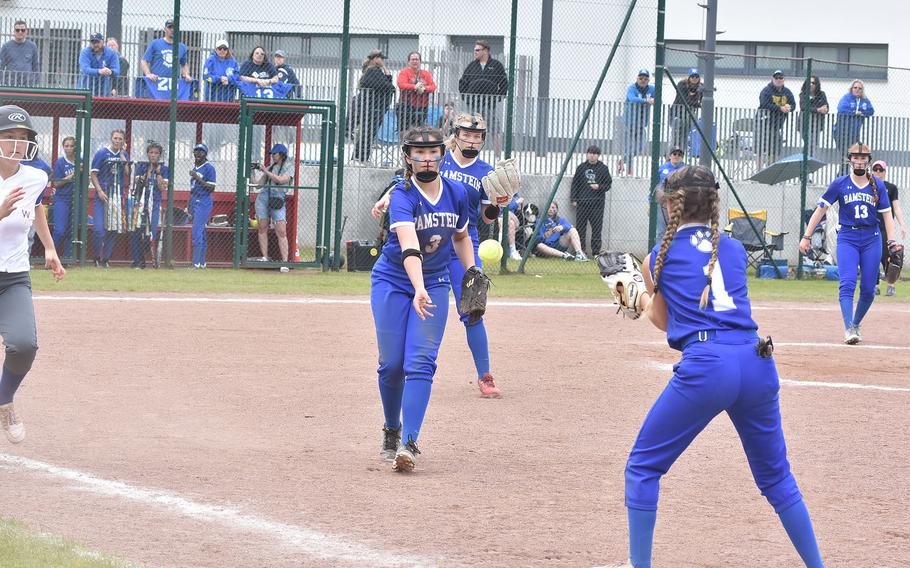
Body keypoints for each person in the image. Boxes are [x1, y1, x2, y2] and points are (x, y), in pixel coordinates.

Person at [618, 165, 824, 568]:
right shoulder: (731, 248)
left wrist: (636, 300)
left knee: (642, 468)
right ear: (712, 203)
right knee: (778, 480)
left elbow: (663, 321)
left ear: (671, 205)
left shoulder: (658, 254)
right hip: (756, 360)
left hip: (708, 365)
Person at [370, 113, 517, 397]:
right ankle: (402, 364)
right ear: (456, 135)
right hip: (424, 239)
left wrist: (499, 204)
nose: (471, 140)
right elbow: (408, 184)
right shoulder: (438, 157)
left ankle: (484, 375)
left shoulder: (487, 172)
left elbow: (486, 218)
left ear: (483, 140)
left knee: (472, 308)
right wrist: (388, 196)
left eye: (477, 136)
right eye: (466, 134)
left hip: (462, 239)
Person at [370, 125, 475, 472]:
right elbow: (408, 245)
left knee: (420, 362)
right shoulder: (402, 195)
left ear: (443, 156)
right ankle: (391, 427)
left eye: (433, 153)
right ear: (408, 158)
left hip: (434, 281)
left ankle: (409, 442)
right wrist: (417, 287)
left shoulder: (457, 192)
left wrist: (471, 271)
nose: (427, 159)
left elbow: (460, 236)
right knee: (392, 364)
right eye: (419, 153)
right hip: (394, 280)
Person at [0, 105, 67, 445]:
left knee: (24, 345)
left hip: (12, 277)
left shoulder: (36, 176)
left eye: (22, 138)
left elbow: (37, 206)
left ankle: (4, 401)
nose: (16, 143)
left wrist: (50, 248)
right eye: (8, 137)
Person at [801, 143, 896, 344]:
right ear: (849, 159)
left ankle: (856, 323)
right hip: (847, 238)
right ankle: (849, 329)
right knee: (847, 283)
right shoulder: (840, 184)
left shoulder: (876, 185)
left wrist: (892, 242)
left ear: (869, 161)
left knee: (869, 289)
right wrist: (807, 236)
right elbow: (820, 210)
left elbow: (887, 216)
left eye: (863, 158)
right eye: (855, 157)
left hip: (872, 238)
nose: (859, 161)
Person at [458, 40, 508, 158]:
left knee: (495, 128)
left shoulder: (496, 65)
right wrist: (467, 98)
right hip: (473, 104)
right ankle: (470, 155)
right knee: (472, 129)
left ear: (485, 51)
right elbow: (462, 83)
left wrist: (498, 98)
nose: (475, 52)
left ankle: (497, 157)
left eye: (477, 50)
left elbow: (504, 83)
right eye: (474, 50)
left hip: (490, 105)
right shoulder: (472, 66)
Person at [89, 129, 131, 267]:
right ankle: (96, 256)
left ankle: (105, 259)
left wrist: (123, 156)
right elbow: (93, 174)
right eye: (115, 138)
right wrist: (99, 190)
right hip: (103, 194)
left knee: (113, 228)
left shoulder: (123, 154)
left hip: (116, 196)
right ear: (111, 138)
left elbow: (127, 173)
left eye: (120, 139)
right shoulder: (102, 153)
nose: (117, 141)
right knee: (99, 229)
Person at [251, 143, 293, 271]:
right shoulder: (270, 167)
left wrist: (265, 171)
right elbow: (258, 185)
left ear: (281, 155)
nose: (272, 156)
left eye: (274, 154)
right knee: (262, 227)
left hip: (277, 198)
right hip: (264, 197)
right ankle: (264, 256)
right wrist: (251, 171)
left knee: (281, 230)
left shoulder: (289, 167)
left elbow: (281, 180)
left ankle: (284, 262)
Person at [350, 49, 395, 165]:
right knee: (368, 132)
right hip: (371, 108)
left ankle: (360, 157)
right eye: (381, 58)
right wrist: (388, 78)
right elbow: (388, 87)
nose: (383, 61)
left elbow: (388, 85)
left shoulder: (376, 71)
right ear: (375, 59)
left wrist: (385, 70)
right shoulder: (373, 72)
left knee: (368, 132)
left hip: (374, 108)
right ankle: (361, 157)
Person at [130, 141, 168, 269]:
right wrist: (149, 172)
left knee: (151, 233)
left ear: (160, 155)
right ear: (147, 154)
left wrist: (157, 173)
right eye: (151, 153)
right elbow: (138, 183)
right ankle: (138, 261)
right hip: (140, 202)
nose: (153, 155)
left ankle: (146, 257)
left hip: (155, 204)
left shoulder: (164, 169)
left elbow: (162, 187)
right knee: (136, 231)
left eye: (156, 153)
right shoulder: (142, 166)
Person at [870, 160, 906, 297]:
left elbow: (896, 208)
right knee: (873, 256)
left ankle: (890, 285)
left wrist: (902, 224)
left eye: (881, 170)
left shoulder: (891, 188)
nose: (878, 172)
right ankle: (875, 286)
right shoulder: (867, 186)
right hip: (872, 227)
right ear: (872, 171)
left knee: (887, 256)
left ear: (885, 172)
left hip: (885, 227)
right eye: (876, 169)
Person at [571, 144, 612, 256]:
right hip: (582, 203)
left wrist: (599, 187)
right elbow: (575, 184)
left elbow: (608, 184)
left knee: (597, 229)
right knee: (580, 228)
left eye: (595, 154)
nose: (592, 156)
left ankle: (596, 253)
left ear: (598, 155)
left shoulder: (603, 168)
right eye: (590, 153)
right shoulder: (581, 168)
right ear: (587, 154)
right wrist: (573, 199)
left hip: (597, 205)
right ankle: (580, 251)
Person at [141, 19, 192, 97]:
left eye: (175, 28)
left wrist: (186, 74)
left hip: (172, 86)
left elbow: (184, 64)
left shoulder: (181, 47)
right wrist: (148, 74)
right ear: (165, 29)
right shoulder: (155, 43)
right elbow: (144, 61)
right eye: (170, 27)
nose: (172, 30)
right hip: (156, 85)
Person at [833, 80, 874, 174]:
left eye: (860, 88)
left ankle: (841, 174)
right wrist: (854, 113)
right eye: (855, 88)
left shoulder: (864, 100)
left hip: (854, 133)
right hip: (841, 131)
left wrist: (862, 113)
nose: (857, 90)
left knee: (849, 154)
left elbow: (871, 111)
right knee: (845, 154)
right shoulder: (846, 98)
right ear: (851, 88)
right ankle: (842, 174)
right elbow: (841, 108)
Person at [756, 70, 795, 166]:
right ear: (772, 79)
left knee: (774, 149)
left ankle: (770, 170)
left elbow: (793, 104)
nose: (778, 80)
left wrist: (789, 107)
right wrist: (780, 108)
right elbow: (764, 104)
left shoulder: (787, 92)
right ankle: (759, 170)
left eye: (780, 78)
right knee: (762, 148)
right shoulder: (766, 90)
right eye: (776, 78)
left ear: (784, 79)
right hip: (764, 124)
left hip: (777, 126)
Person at [621, 69, 655, 177]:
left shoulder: (652, 89)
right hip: (629, 123)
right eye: (641, 78)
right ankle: (629, 170)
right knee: (629, 145)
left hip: (642, 123)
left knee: (641, 146)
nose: (643, 80)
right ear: (637, 78)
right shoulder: (632, 88)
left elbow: (658, 99)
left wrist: (654, 101)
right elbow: (632, 98)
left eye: (645, 78)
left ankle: (623, 160)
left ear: (648, 80)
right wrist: (646, 101)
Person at [188, 143, 216, 269]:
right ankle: (202, 263)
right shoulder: (195, 168)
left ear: (205, 154)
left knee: (196, 232)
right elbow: (192, 190)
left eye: (201, 151)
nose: (198, 153)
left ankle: (196, 263)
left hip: (204, 202)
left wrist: (197, 178)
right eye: (196, 151)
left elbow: (211, 188)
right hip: (195, 201)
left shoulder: (209, 168)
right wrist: (189, 206)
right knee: (201, 232)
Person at [650, 145, 686, 240]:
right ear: (670, 156)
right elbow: (655, 186)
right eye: (674, 153)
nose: (676, 156)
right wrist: (650, 202)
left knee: (677, 229)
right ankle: (660, 253)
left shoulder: (685, 169)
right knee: (661, 230)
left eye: (679, 154)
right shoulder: (662, 168)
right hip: (662, 203)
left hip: (678, 203)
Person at [51, 136, 78, 259]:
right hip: (62, 199)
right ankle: (51, 257)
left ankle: (67, 259)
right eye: (66, 146)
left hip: (76, 199)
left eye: (71, 146)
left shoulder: (80, 161)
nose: (69, 148)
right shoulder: (60, 162)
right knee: (60, 230)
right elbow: (56, 183)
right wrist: (72, 175)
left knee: (70, 231)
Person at [396, 51, 437, 133]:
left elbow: (433, 86)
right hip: (406, 106)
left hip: (421, 107)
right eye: (412, 59)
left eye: (417, 59)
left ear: (420, 61)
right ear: (409, 61)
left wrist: (423, 88)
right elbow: (401, 84)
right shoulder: (404, 72)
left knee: (418, 131)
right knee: (404, 130)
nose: (415, 61)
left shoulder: (426, 74)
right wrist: (415, 87)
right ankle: (403, 145)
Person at [669, 68, 703, 153]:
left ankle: (681, 154)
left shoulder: (701, 87)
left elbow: (700, 102)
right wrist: (694, 102)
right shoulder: (682, 84)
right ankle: (671, 155)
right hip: (676, 113)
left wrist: (694, 102)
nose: (694, 78)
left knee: (685, 136)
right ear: (689, 77)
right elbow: (682, 100)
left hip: (688, 115)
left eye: (696, 77)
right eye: (692, 76)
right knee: (676, 136)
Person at [78, 32, 120, 97]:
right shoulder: (85, 52)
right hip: (86, 89)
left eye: (97, 42)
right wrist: (99, 71)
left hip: (103, 90)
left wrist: (110, 71)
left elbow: (117, 70)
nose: (95, 44)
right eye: (93, 42)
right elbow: (85, 69)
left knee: (103, 106)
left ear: (102, 42)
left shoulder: (111, 53)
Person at [0, 21, 40, 87]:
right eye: (17, 30)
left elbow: (35, 65)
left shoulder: (32, 46)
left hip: (28, 84)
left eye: (23, 30)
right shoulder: (6, 47)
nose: (20, 32)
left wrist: (36, 82)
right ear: (14, 32)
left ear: (26, 32)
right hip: (10, 84)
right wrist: (2, 82)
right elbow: (1, 66)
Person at [799, 75, 828, 155]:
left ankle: (806, 163)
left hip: (817, 125)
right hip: (804, 124)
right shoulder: (803, 94)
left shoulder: (822, 94)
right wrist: (818, 109)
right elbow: (803, 107)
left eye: (813, 83)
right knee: (810, 145)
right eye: (809, 83)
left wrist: (824, 109)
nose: (811, 84)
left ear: (817, 85)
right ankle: (804, 163)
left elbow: (826, 107)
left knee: (813, 145)